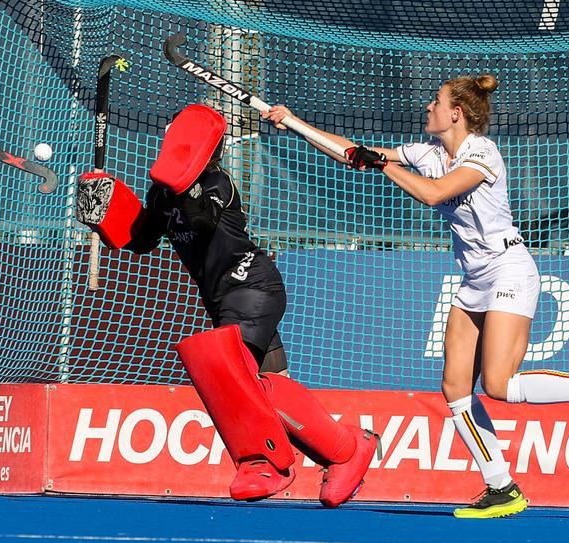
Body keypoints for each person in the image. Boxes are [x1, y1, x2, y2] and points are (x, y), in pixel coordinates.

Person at [263, 74, 569, 519]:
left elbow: (434, 193)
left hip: (510, 270)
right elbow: (352, 151)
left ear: (456, 114)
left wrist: (382, 164)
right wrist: (293, 122)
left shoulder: (481, 152)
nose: (428, 106)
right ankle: (501, 487)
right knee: (454, 388)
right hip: (473, 279)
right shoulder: (426, 153)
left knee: (499, 385)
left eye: (437, 101)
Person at [76, 104, 379, 507]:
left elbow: (201, 221)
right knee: (272, 390)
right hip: (225, 300)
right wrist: (105, 211)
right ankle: (348, 450)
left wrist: (180, 189)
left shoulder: (218, 182)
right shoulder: (162, 195)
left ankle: (279, 460)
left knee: (234, 381)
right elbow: (142, 239)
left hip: (251, 288)